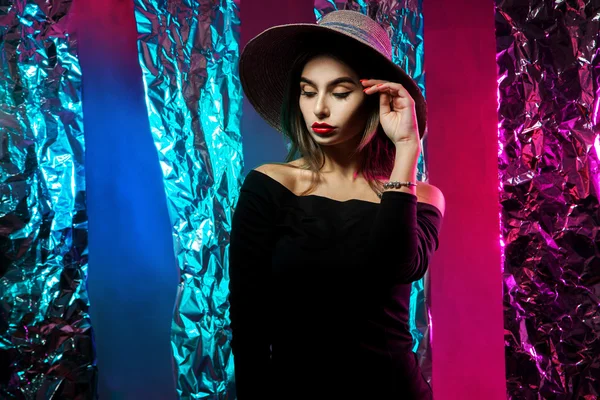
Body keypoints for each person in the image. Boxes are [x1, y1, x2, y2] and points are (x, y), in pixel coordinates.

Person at [228, 9, 445, 400]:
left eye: (340, 92)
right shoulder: (271, 185)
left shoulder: (422, 196)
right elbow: (250, 323)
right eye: (308, 91)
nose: (320, 109)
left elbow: (397, 265)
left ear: (376, 98)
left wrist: (407, 149)